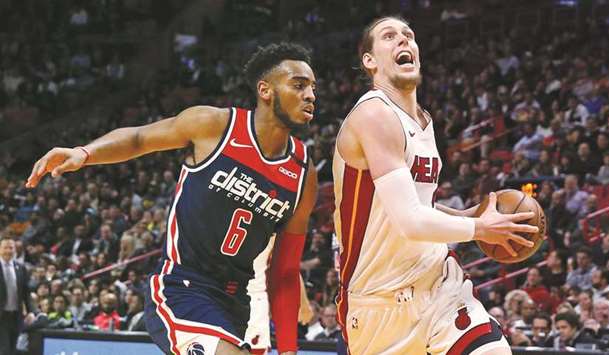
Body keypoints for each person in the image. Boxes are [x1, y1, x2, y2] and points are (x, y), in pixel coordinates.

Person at [26, 42, 318, 355]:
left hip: (242, 305)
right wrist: (84, 153)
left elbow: (285, 270)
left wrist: (288, 348)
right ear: (266, 90)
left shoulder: (303, 172)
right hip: (184, 289)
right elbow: (139, 138)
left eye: (313, 88)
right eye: (299, 86)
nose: (310, 95)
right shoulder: (215, 126)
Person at [333, 16, 538, 355]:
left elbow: (419, 206)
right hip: (379, 300)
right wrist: (479, 227)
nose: (403, 41)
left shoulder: (423, 120)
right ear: (369, 61)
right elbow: (410, 221)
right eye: (389, 36)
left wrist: (472, 214)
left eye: (408, 36)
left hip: (439, 281)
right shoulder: (373, 115)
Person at [0, 238, 34, 355]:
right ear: (0, 249)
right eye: (5, 248)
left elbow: (26, 293)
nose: (8, 251)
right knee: (4, 350)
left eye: (11, 248)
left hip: (16, 315)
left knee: (13, 349)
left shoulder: (21, 268)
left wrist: (31, 311)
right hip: (1, 316)